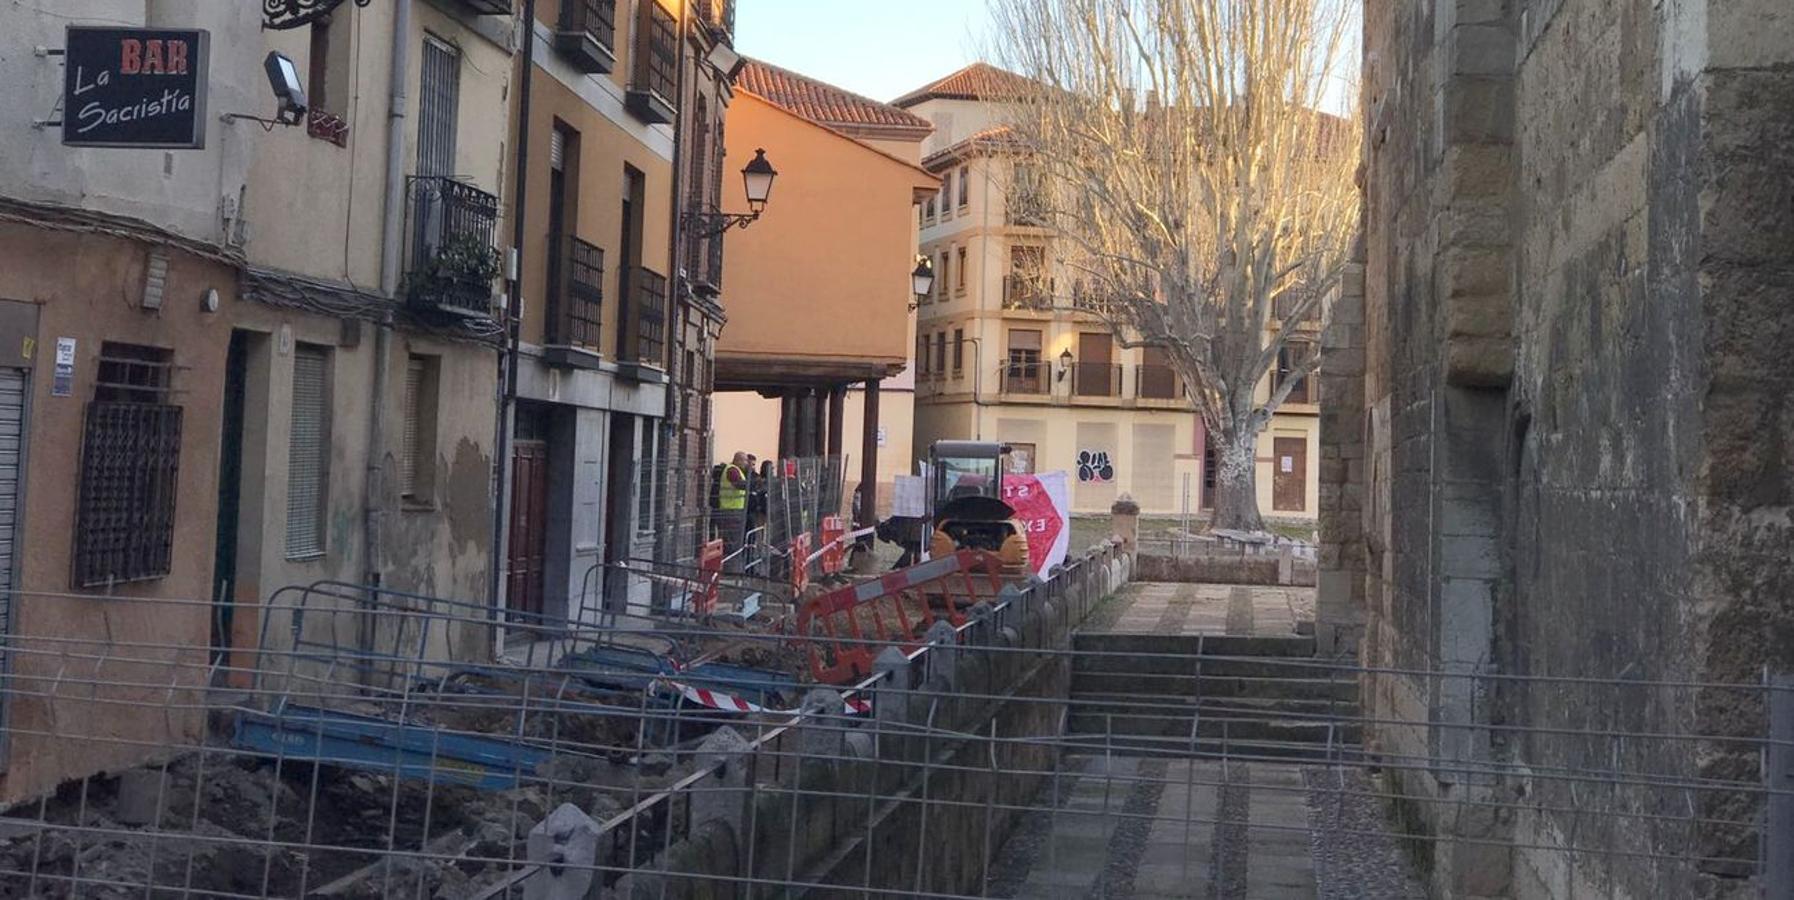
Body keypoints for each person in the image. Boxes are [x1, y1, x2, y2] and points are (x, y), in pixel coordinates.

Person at [717, 452, 750, 570]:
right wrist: (751, 482)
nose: (746, 463)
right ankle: (730, 569)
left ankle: (732, 567)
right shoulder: (732, 470)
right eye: (745, 460)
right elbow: (739, 485)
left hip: (734, 510)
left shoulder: (735, 470)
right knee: (732, 542)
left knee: (734, 541)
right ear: (738, 460)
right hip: (730, 511)